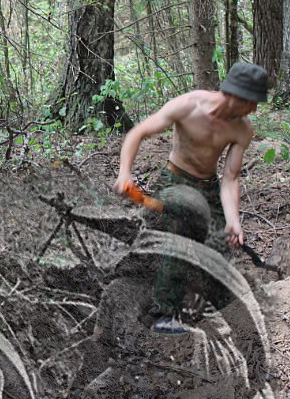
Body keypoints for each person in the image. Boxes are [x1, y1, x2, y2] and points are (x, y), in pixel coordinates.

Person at [114, 61, 268, 333]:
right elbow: (138, 132)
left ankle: (214, 310)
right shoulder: (187, 106)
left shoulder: (242, 129)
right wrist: (125, 172)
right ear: (237, 96)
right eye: (253, 102)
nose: (255, 109)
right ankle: (164, 313)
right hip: (175, 180)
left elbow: (230, 177)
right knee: (178, 235)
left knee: (219, 247)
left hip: (209, 188)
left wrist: (233, 221)